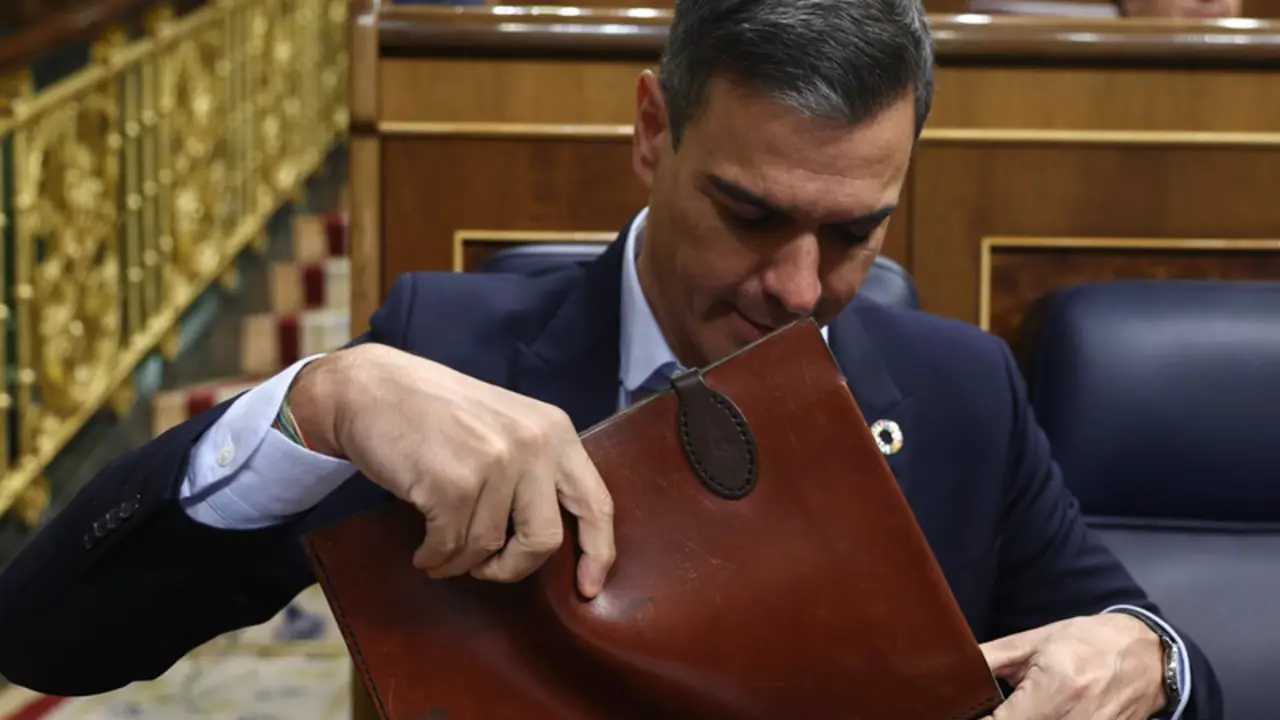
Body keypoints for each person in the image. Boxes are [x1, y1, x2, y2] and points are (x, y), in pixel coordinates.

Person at [0, 1, 1221, 717]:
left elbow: (1155, 648)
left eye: (853, 232)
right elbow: (51, 641)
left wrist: (1140, 656)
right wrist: (316, 402)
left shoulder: (961, 388)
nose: (798, 290)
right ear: (650, 133)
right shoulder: (441, 348)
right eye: (747, 215)